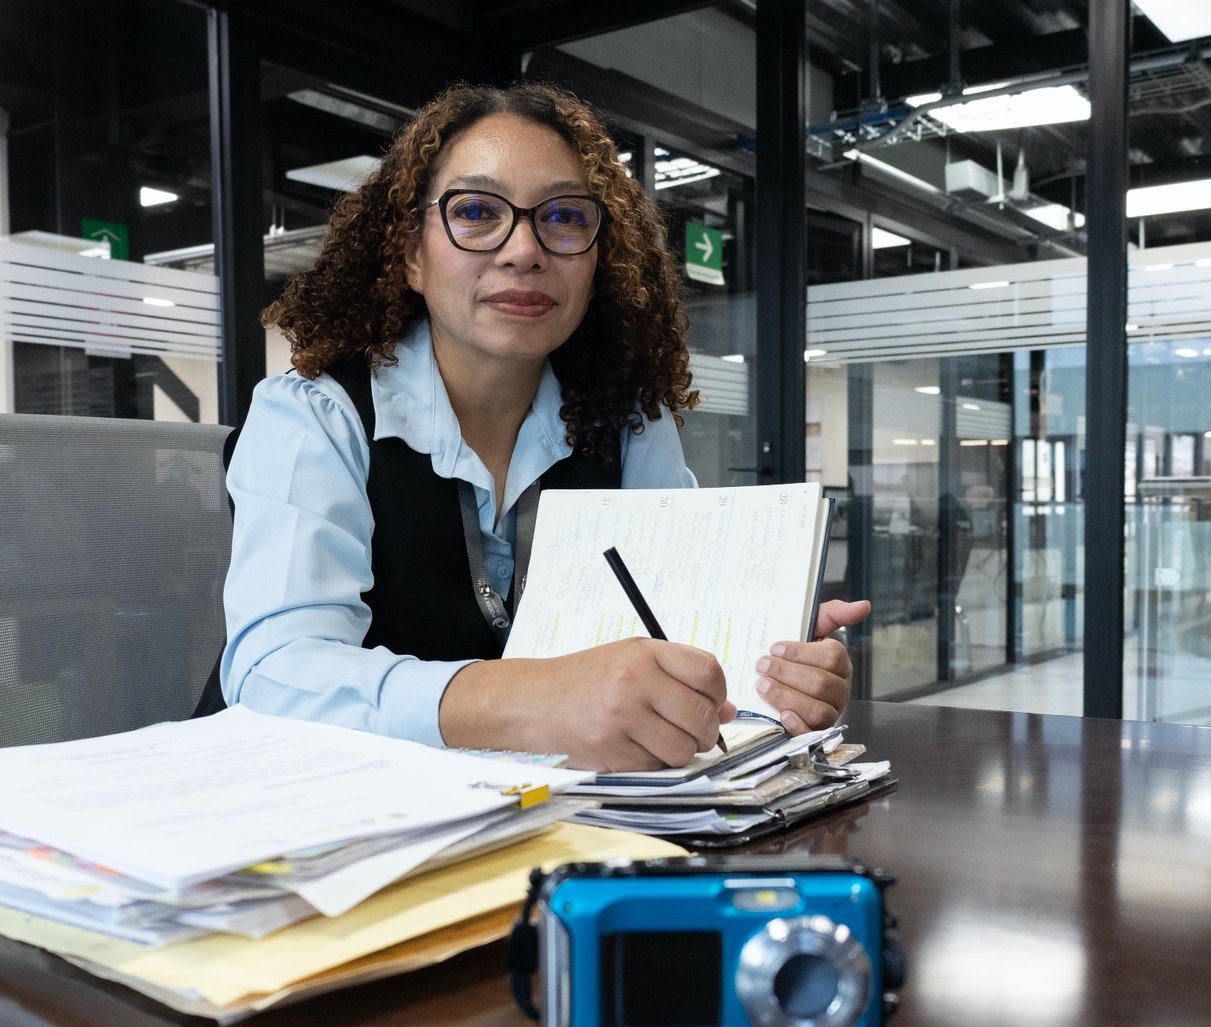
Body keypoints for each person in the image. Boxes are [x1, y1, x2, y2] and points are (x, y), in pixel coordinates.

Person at [215, 81, 870, 771]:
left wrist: (770, 668)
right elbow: (273, 676)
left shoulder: (627, 425)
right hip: (309, 818)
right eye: (474, 210)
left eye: (561, 217)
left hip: (533, 820)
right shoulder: (316, 414)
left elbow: (674, 638)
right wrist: (537, 698)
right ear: (410, 253)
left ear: (597, 261)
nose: (524, 249)